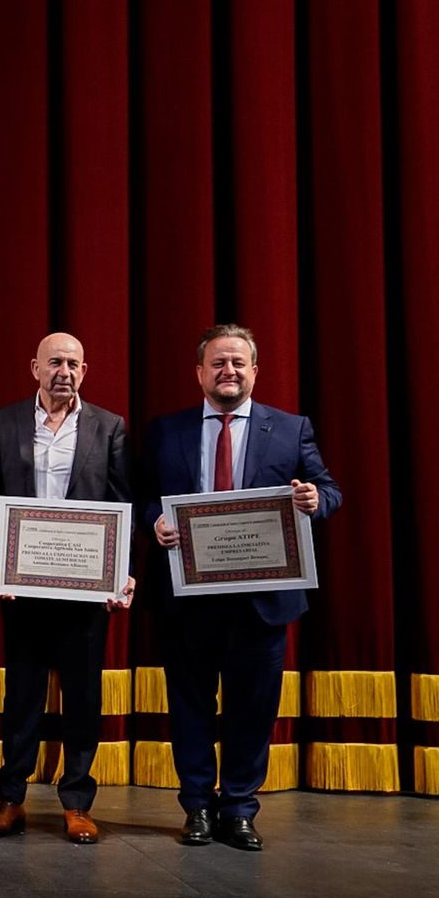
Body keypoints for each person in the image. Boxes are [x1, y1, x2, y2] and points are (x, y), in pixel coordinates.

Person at [140, 324, 340, 851]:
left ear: (255, 371)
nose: (228, 371)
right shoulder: (166, 430)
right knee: (190, 709)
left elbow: (329, 489)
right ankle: (198, 808)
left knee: (253, 710)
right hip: (189, 602)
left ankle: (240, 810)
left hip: (263, 604)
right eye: (218, 363)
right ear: (199, 373)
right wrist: (154, 522)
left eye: (238, 363)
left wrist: (316, 501)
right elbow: (140, 499)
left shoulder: (291, 428)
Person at [0, 332, 134, 844]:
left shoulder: (109, 427)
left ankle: (77, 802)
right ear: (35, 368)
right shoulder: (3, 422)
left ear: (84, 370)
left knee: (83, 696)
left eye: (72, 363)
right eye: (54, 362)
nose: (63, 370)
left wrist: (121, 572)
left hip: (84, 590)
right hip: (21, 588)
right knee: (21, 693)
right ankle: (10, 798)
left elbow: (121, 506)